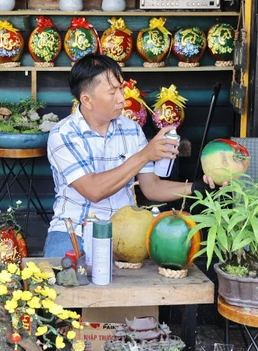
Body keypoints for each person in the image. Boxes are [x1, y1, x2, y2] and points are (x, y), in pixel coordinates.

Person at [45, 54, 215, 258]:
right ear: (87, 100)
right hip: (74, 230)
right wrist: (144, 155)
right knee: (60, 282)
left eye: (120, 88)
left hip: (126, 230)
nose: (122, 99)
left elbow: (151, 187)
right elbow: (94, 190)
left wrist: (197, 188)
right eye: (112, 92)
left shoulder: (131, 129)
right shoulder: (63, 134)